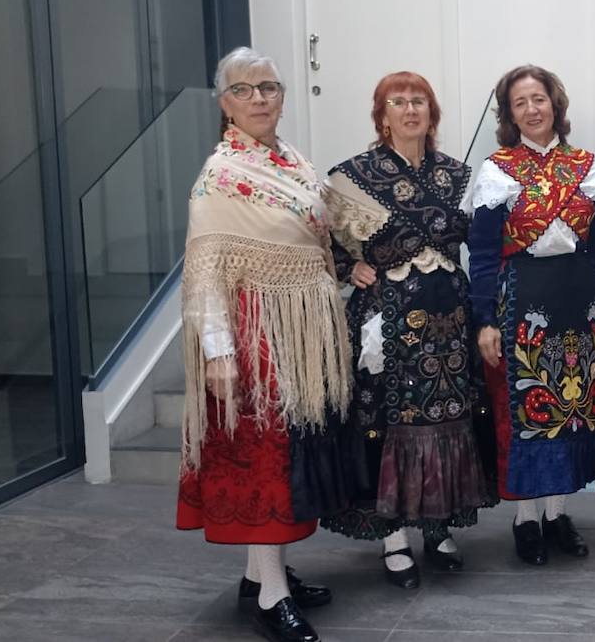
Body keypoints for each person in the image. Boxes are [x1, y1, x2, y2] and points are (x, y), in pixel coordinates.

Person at [177, 46, 352, 642]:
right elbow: (205, 271)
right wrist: (220, 352)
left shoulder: (293, 162)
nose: (259, 99)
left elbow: (326, 226)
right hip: (255, 334)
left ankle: (262, 577)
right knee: (267, 460)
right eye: (245, 90)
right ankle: (270, 598)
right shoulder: (220, 176)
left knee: (293, 455)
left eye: (269, 88)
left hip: (300, 332)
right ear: (225, 103)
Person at [320, 72, 497, 589]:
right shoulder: (352, 177)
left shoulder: (458, 176)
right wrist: (345, 265)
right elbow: (320, 240)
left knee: (449, 416)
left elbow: (483, 244)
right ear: (382, 115)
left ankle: (436, 525)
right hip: (387, 322)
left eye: (419, 100)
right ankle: (392, 534)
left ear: (431, 111)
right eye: (398, 102)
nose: (410, 109)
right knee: (388, 420)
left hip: (450, 320)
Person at [467, 64, 595, 565]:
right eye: (520, 103)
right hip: (524, 302)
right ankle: (526, 520)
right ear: (509, 115)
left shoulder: (585, 166)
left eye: (539, 98)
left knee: (574, 410)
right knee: (532, 410)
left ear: (555, 103)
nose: (532, 109)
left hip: (581, 304)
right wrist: (485, 318)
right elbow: (485, 254)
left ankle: (557, 513)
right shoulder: (497, 170)